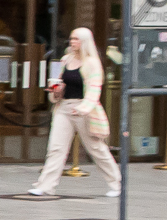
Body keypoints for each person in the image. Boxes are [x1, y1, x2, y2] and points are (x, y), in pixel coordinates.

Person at [30, 26, 120, 197]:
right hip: (63, 107)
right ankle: (45, 185)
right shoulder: (64, 60)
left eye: (76, 39)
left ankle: (116, 184)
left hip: (84, 110)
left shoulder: (92, 63)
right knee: (56, 148)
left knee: (96, 149)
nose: (72, 42)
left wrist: (83, 109)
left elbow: (94, 90)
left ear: (85, 42)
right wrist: (56, 90)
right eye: (71, 39)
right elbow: (56, 81)